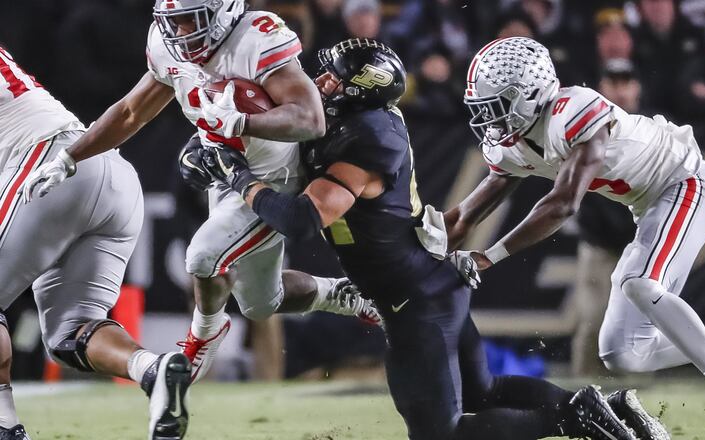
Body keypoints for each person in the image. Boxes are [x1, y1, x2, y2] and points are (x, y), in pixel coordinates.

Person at [196, 37, 668, 440]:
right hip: (427, 280)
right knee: (482, 391)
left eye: (334, 78)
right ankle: (606, 409)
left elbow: (303, 220)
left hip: (413, 299)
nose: (321, 84)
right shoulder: (356, 123)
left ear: (360, 91)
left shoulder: (366, 137)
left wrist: (238, 179)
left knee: (440, 433)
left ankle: (575, 415)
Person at [20, 0, 380, 384]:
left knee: (203, 256)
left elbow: (311, 119)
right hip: (224, 171)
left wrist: (244, 121)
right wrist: (69, 157)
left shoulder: (256, 37)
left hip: (274, 174)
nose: (180, 33)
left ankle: (202, 339)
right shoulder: (166, 44)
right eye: (173, 23)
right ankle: (337, 292)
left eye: (190, 20)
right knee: (261, 303)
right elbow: (131, 112)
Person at [447, 36, 705, 439]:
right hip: (651, 205)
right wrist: (419, 252)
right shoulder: (515, 143)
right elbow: (465, 215)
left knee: (640, 284)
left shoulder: (571, 110)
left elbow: (563, 204)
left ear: (529, 94)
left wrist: (491, 255)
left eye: (498, 104)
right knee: (623, 351)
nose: (490, 118)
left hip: (688, 183)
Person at [0, 45, 190, 440]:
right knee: (71, 334)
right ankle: (150, 369)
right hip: (105, 166)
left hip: (48, 166)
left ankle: (5, 426)